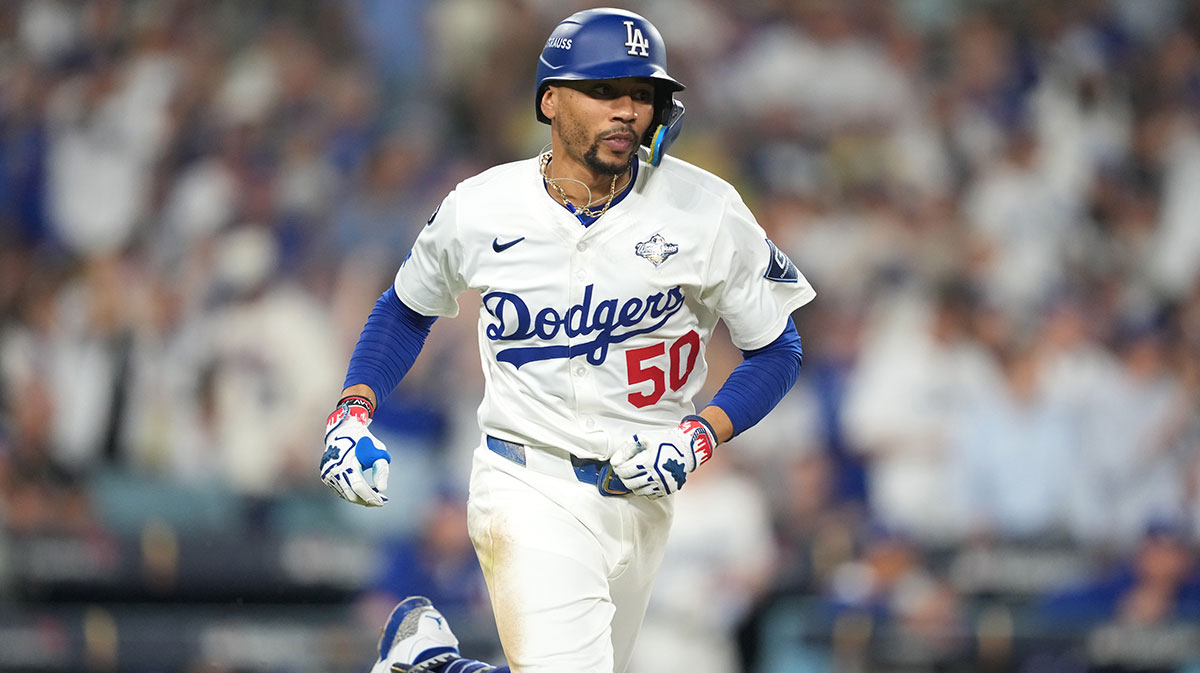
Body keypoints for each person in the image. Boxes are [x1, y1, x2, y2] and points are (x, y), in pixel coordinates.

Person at [319, 8, 815, 673]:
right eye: (605, 89)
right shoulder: (482, 206)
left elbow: (778, 348)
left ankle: (430, 667)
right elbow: (406, 309)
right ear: (550, 99)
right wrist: (351, 409)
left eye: (642, 94)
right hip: (529, 478)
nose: (627, 110)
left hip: (645, 492)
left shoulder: (707, 209)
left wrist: (702, 433)